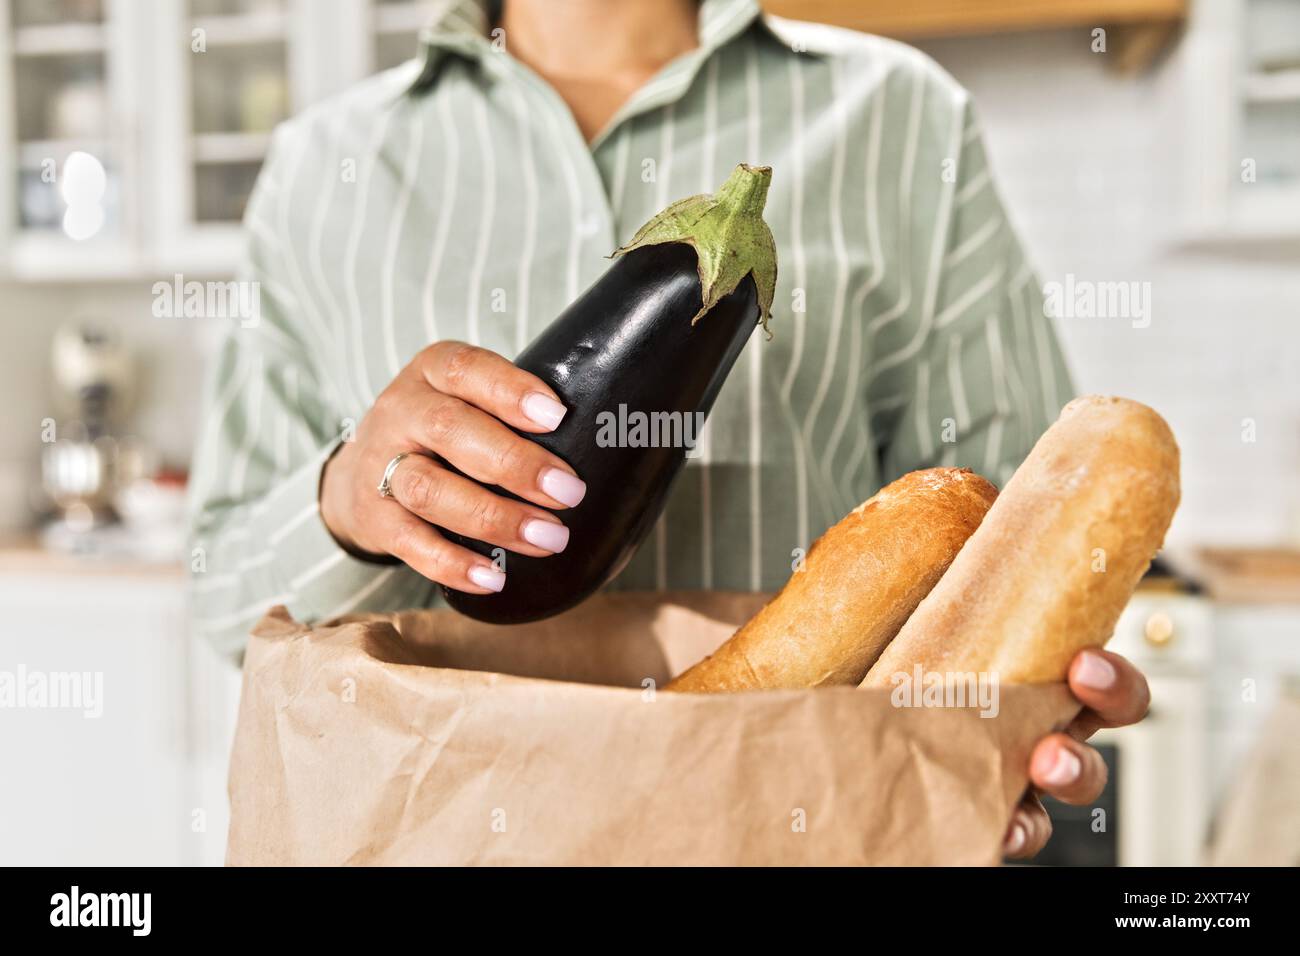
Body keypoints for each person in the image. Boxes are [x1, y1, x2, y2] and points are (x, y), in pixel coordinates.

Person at [189, 0, 1149, 859]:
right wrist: (342, 504)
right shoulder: (322, 168)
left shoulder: (904, 119)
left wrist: (990, 734)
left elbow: (1019, 537)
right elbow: (224, 603)